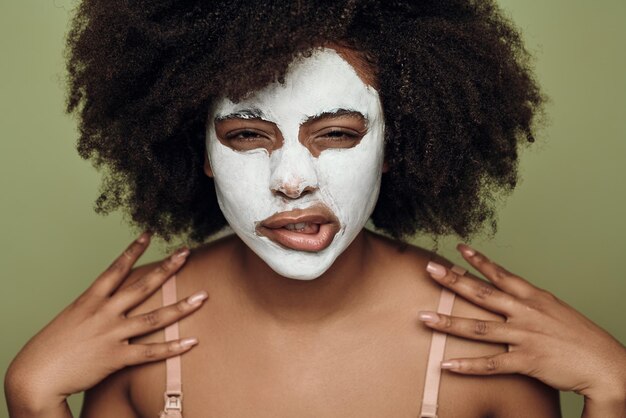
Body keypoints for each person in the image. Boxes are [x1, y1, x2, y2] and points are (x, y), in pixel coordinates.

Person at [4, 0, 625, 417]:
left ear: (392, 147)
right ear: (200, 152)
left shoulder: (487, 346)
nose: (292, 181)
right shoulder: (135, 334)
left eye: (337, 133)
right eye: (248, 135)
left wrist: (613, 391)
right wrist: (31, 395)